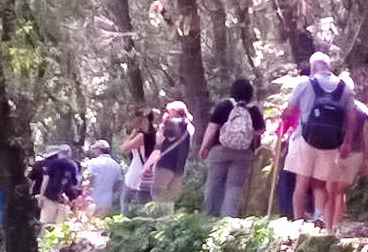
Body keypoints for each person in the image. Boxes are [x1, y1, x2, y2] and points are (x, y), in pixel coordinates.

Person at [281, 52, 356, 225]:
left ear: (313, 67)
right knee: (320, 183)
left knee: (301, 183)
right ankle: (319, 217)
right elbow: (351, 117)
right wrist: (347, 142)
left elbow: (290, 111)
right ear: (328, 66)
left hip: (306, 137)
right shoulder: (344, 87)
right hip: (331, 142)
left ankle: (298, 223)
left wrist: (284, 114)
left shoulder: (306, 83)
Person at [200, 78, 266, 217]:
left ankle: (209, 218)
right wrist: (246, 132)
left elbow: (212, 128)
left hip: (220, 150)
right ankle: (228, 221)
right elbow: (260, 130)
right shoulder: (253, 110)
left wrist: (204, 147)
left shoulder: (224, 106)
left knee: (213, 185)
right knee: (234, 188)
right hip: (244, 153)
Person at [326, 79, 368, 231]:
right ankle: (336, 226)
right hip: (356, 153)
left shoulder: (334, 106)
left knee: (332, 191)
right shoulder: (363, 109)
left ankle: (330, 228)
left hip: (336, 151)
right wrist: (365, 159)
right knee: (340, 190)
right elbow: (366, 136)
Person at [143, 101, 194, 214]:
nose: (166, 113)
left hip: (165, 164)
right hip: (180, 167)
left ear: (175, 111)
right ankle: (168, 220)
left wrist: (146, 166)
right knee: (171, 196)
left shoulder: (169, 124)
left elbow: (158, 145)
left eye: (168, 111)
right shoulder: (189, 127)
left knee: (157, 191)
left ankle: (159, 220)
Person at [121, 109, 157, 214]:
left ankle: (125, 221)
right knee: (144, 200)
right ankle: (146, 224)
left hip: (137, 169)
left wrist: (132, 135)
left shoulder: (142, 136)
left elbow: (124, 148)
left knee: (125, 199)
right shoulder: (155, 133)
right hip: (149, 169)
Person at [36, 144, 80, 226]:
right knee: (60, 225)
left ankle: (45, 238)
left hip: (50, 196)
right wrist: (74, 200)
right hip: (65, 199)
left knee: (46, 223)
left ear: (59, 153)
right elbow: (75, 184)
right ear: (69, 153)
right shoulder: (72, 166)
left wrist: (41, 197)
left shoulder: (52, 164)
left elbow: (45, 181)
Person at [84, 140, 123, 218]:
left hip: (92, 199)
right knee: (100, 224)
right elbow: (118, 183)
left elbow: (90, 178)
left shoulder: (92, 162)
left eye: (94, 149)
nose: (93, 151)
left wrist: (85, 191)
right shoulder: (116, 165)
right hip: (107, 200)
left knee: (88, 224)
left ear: (99, 150)